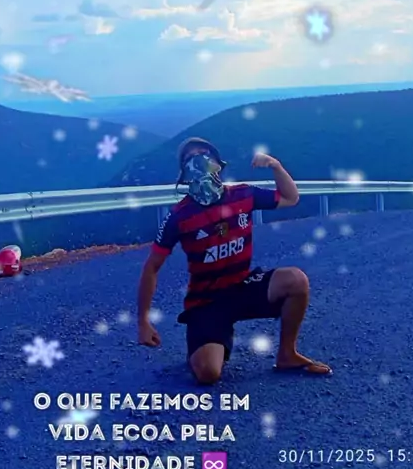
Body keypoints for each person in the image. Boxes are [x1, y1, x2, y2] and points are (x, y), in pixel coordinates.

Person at [137, 137, 332, 383]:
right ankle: (203, 344)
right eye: (189, 158)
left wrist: (275, 166)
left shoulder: (242, 195)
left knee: (296, 280)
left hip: (242, 285)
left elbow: (290, 198)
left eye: (204, 154)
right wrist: (143, 321)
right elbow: (152, 267)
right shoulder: (179, 216)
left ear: (218, 163)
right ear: (184, 173)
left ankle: (287, 354)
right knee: (208, 374)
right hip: (206, 301)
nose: (198, 161)